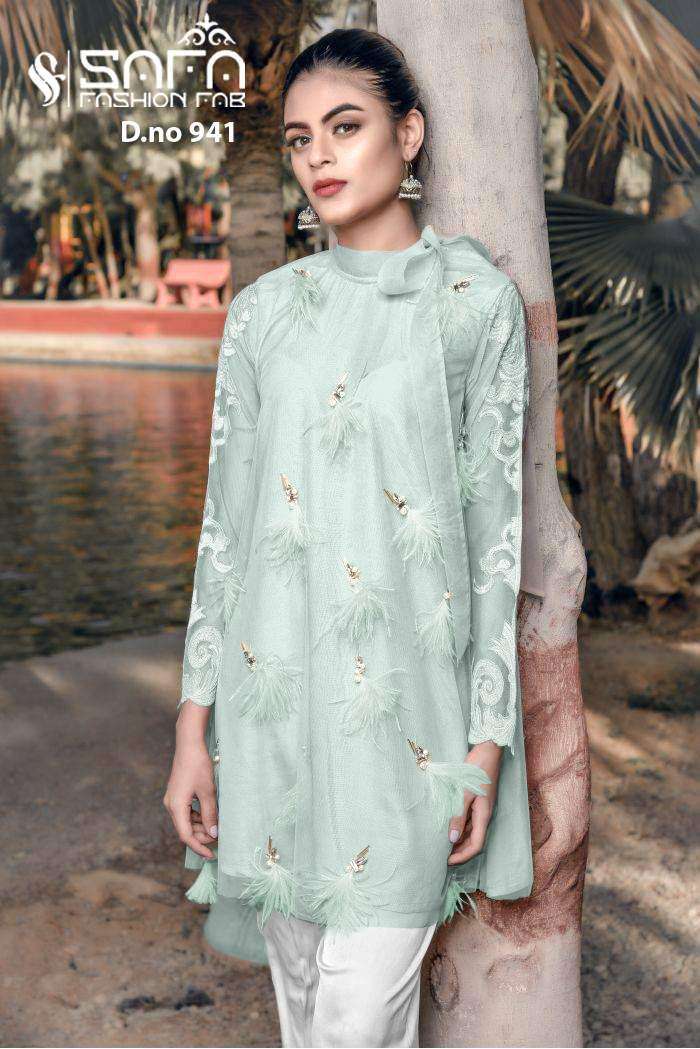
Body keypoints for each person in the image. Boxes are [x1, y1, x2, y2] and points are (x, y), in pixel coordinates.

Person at [164, 26, 534, 1049]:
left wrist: (484, 745)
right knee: (307, 1011)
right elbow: (225, 532)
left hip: (414, 732)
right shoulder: (262, 316)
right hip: (272, 721)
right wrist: (194, 730)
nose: (318, 157)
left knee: (353, 1018)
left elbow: (497, 537)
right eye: (298, 139)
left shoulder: (475, 306)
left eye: (345, 127)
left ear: (408, 135)